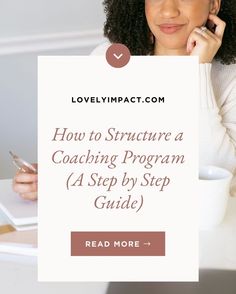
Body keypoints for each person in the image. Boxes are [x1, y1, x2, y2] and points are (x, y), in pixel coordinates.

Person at [13, 0, 236, 200]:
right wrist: (56, 179)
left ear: (214, 5)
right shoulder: (106, 58)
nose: (168, 11)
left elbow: (218, 178)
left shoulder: (230, 77)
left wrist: (197, 71)